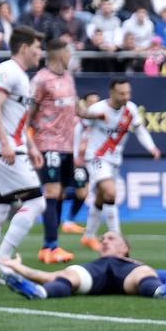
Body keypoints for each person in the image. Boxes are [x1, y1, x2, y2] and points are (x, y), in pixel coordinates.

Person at [0, 26, 46, 286]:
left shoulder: (20, 76)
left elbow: (16, 118)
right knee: (37, 203)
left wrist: (33, 146)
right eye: (37, 47)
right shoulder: (8, 71)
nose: (40, 52)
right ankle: (1, 258)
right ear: (25, 48)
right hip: (4, 150)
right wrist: (5, 142)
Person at [0, 232, 166, 300]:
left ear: (125, 247)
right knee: (68, 275)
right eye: (102, 239)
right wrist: (18, 268)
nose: (104, 241)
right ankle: (38, 293)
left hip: (129, 276)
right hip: (96, 275)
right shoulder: (95, 262)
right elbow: (47, 274)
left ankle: (161, 291)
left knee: (146, 273)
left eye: (111, 238)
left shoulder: (134, 264)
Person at [77, 79, 161, 250]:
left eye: (128, 93)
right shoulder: (98, 109)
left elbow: (140, 130)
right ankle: (116, 235)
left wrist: (152, 147)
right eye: (122, 93)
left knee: (103, 196)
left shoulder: (131, 109)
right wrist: (77, 151)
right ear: (112, 93)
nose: (126, 97)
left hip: (115, 159)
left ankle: (88, 236)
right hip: (97, 157)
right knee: (110, 192)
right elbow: (80, 128)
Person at [28, 38, 81, 263]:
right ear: (60, 55)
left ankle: (52, 245)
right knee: (51, 191)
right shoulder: (41, 79)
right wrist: (28, 142)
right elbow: (28, 113)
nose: (72, 57)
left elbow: (77, 108)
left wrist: (96, 114)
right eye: (69, 53)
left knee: (60, 193)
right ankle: (50, 245)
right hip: (48, 143)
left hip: (68, 145)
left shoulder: (68, 77)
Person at [61, 92, 101, 234]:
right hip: (77, 162)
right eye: (91, 102)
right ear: (84, 103)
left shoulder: (98, 122)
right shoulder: (77, 121)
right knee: (83, 193)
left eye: (97, 102)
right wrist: (74, 156)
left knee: (83, 193)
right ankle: (67, 219)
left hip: (91, 163)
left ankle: (66, 217)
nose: (94, 105)